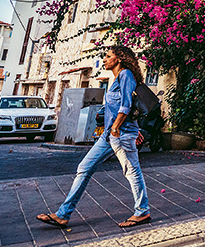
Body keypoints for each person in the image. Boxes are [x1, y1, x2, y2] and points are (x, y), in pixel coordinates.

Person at [36, 45, 151, 229]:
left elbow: (127, 105)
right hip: (110, 134)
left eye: (108, 56)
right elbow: (119, 107)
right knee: (84, 167)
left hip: (119, 133)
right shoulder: (115, 79)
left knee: (131, 171)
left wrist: (116, 128)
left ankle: (142, 211)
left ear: (119, 59)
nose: (104, 59)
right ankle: (63, 215)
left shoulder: (126, 75)